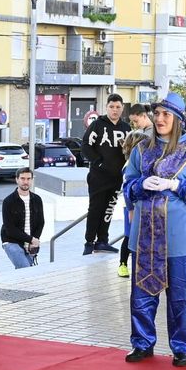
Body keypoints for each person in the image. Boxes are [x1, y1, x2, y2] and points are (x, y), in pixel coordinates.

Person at [122, 93, 186, 365]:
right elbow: (127, 185)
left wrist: (176, 185)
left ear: (178, 119)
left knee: (180, 295)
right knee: (141, 292)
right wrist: (139, 185)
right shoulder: (141, 149)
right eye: (157, 113)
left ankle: (181, 347)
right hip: (145, 233)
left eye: (166, 114)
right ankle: (142, 343)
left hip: (179, 235)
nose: (159, 119)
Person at [82, 94, 128, 255]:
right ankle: (89, 242)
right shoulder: (97, 125)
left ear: (122, 108)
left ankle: (102, 241)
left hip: (116, 178)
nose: (115, 110)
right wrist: (98, 162)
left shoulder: (126, 128)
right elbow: (86, 146)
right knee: (95, 209)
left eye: (118, 107)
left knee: (109, 209)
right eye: (111, 107)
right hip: (98, 177)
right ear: (106, 107)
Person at [116, 104, 154, 279]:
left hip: (139, 206)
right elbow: (127, 189)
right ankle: (123, 264)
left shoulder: (140, 163)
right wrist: (131, 209)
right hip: (131, 206)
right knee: (130, 235)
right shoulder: (129, 166)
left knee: (138, 235)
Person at [0, 167, 44, 269]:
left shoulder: (37, 199)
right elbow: (10, 229)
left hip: (30, 242)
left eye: (28, 179)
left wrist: (35, 240)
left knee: (24, 272)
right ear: (17, 179)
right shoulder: (8, 201)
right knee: (26, 269)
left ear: (32, 180)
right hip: (12, 241)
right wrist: (31, 239)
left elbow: (41, 222)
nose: (25, 182)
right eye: (22, 178)